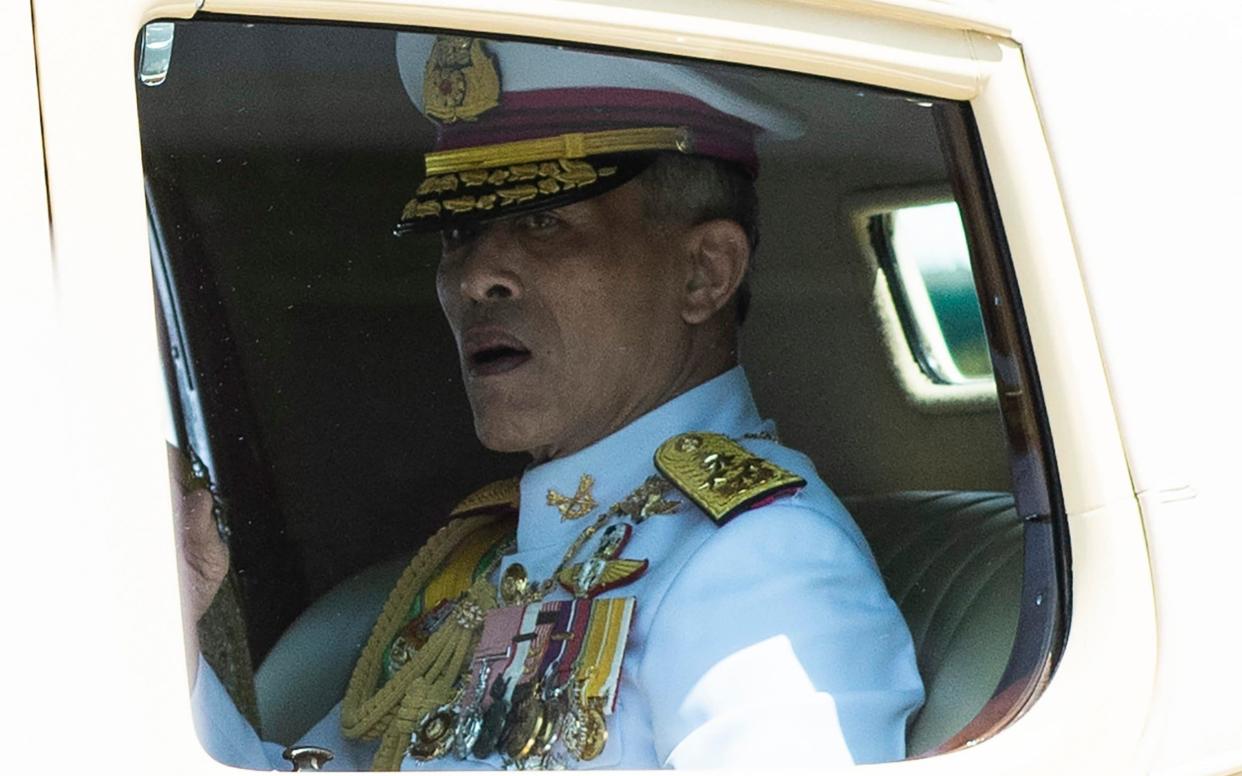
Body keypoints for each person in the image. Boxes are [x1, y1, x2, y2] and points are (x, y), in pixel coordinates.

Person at [183, 32, 924, 771]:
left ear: (705, 273)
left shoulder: (760, 557)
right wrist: (169, 618)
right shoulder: (489, 562)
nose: (476, 278)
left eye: (544, 221)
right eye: (461, 232)